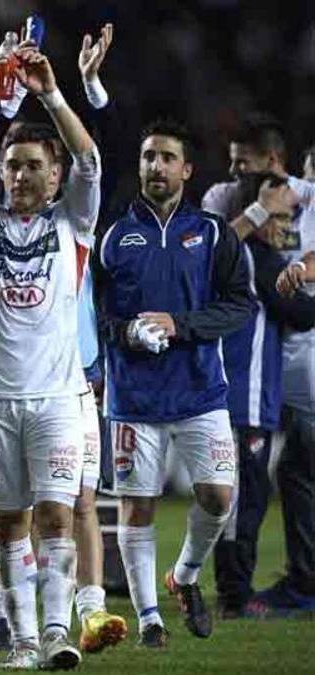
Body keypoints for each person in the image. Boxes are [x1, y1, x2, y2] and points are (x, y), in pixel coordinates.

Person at [0, 40, 100, 670]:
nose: (18, 176)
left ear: (55, 176)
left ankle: (59, 631)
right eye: (11, 166)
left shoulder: (74, 225)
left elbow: (90, 158)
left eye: (32, 165)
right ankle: (23, 639)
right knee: (8, 523)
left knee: (58, 515)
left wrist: (52, 92)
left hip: (59, 398)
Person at [92, 119, 251, 648]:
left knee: (218, 496)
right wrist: (129, 331)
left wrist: (178, 326)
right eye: (146, 157)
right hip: (135, 396)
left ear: (186, 169)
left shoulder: (211, 233)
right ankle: (150, 620)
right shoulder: (114, 236)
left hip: (200, 389)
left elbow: (238, 304)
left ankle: (182, 577)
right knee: (138, 506)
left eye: (165, 157)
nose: (154, 166)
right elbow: (96, 317)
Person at [203, 117, 315, 615]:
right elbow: (205, 253)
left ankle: (282, 586)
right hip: (257, 381)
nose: (231, 172)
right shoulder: (226, 202)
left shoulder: (306, 201)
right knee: (262, 483)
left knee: (272, 481)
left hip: (287, 375)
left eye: (241, 163)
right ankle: (246, 590)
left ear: (272, 164)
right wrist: (257, 212)